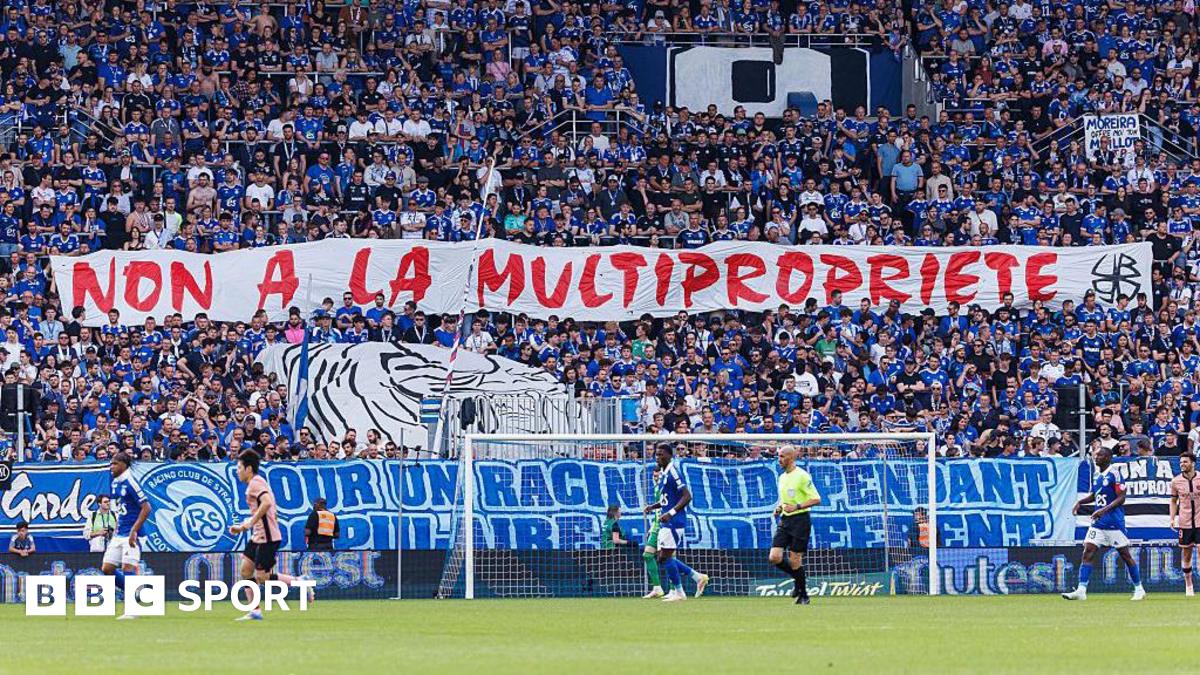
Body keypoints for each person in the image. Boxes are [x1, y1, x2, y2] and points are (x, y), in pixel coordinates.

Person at [229, 450, 312, 621]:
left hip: (267, 538)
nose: (237, 471)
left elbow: (266, 502)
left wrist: (248, 524)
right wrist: (245, 526)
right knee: (245, 571)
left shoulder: (255, 483)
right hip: (258, 536)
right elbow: (268, 506)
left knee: (262, 577)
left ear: (248, 468)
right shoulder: (256, 482)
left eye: (239, 467)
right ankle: (255, 611)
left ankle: (299, 581)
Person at [1062, 446, 1146, 601]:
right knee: (1088, 551)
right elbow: (1096, 494)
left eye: (1100, 455)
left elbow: (1122, 497)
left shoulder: (1115, 473)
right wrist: (1080, 502)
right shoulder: (1098, 475)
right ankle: (1081, 590)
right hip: (1098, 524)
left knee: (1125, 555)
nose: (1096, 457)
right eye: (1096, 454)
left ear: (1108, 457)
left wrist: (1103, 510)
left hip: (1114, 522)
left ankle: (1139, 588)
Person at [645, 443, 708, 602]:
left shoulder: (673, 471)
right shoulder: (664, 473)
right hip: (667, 520)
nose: (657, 458)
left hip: (674, 521)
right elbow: (667, 499)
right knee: (662, 557)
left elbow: (687, 496)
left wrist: (671, 513)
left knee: (664, 558)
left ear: (669, 455)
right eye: (656, 455)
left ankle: (679, 592)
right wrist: (654, 506)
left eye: (660, 455)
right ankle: (696, 578)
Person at [768, 445, 822, 605]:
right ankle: (798, 581)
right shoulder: (782, 477)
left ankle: (803, 595)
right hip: (785, 520)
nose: (779, 460)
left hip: (800, 520)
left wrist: (797, 506)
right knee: (774, 557)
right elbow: (784, 500)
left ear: (791, 458)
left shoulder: (802, 476)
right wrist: (779, 507)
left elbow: (816, 499)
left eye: (782, 457)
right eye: (779, 456)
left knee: (795, 560)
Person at [103, 452, 151, 619]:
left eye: (115, 464)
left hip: (133, 534)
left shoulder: (131, 482)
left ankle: (132, 609)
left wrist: (134, 530)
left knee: (127, 568)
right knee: (107, 569)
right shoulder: (116, 483)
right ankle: (136, 594)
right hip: (119, 533)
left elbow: (146, 508)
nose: (111, 467)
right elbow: (122, 509)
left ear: (124, 465)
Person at [1170, 451, 1200, 596]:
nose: (1182, 464)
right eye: (1181, 462)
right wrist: (1171, 518)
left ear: (1192, 463)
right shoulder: (1176, 481)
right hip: (1185, 522)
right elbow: (1173, 501)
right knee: (1186, 554)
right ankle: (1189, 585)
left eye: (1185, 462)